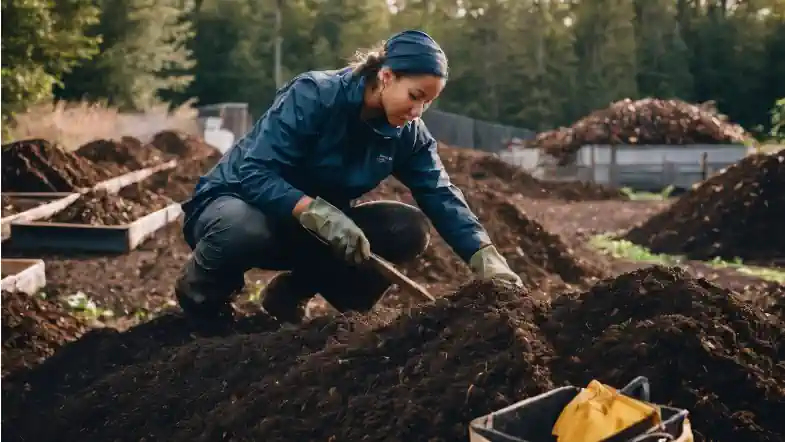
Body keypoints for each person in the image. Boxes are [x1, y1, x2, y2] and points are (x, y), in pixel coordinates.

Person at [175, 29, 522, 329]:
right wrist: (314, 211)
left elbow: (440, 193)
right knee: (242, 227)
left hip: (308, 230)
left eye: (427, 103)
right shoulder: (314, 95)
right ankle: (203, 301)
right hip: (235, 208)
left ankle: (290, 295)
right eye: (415, 96)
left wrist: (485, 256)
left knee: (407, 229)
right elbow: (254, 172)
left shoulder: (408, 134)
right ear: (386, 76)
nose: (417, 112)